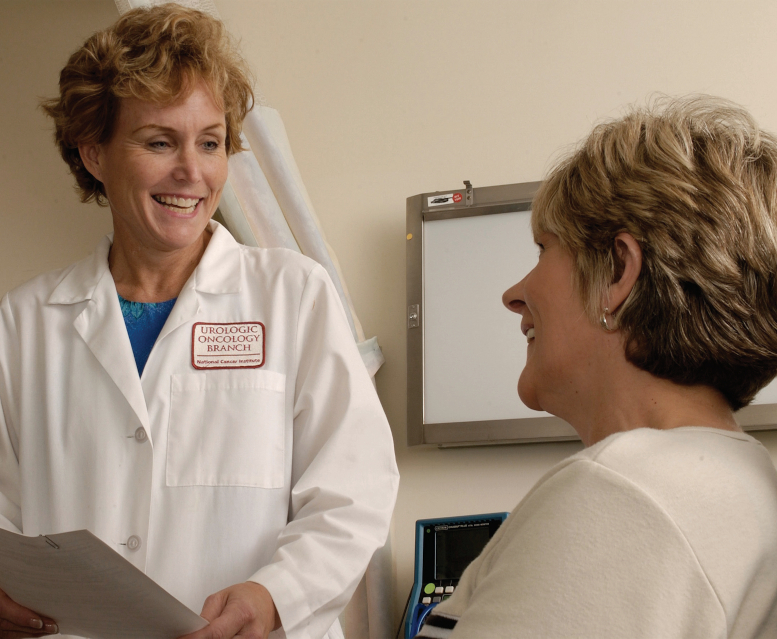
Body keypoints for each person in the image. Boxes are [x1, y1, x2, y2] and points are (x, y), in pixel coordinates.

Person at [0, 5, 398, 639]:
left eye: (210, 143)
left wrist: (276, 596)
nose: (192, 171)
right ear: (94, 152)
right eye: (160, 141)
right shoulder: (22, 325)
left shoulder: (291, 296)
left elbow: (354, 493)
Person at [417, 96, 777, 638]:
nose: (514, 295)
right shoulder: (742, 483)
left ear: (616, 273)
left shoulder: (623, 497)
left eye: (542, 250)